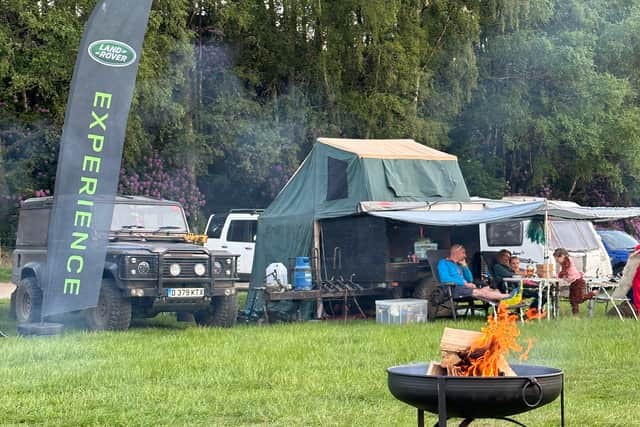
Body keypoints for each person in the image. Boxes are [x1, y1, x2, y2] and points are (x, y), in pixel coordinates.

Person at [438, 244, 511, 302]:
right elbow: (445, 279)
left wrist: (465, 266)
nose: (465, 255)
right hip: (453, 289)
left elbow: (470, 279)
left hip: (464, 288)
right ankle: (509, 297)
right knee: (481, 292)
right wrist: (464, 283)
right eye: (463, 253)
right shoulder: (443, 263)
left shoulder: (459, 265)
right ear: (456, 253)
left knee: (493, 290)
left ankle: (503, 306)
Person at [554, 247, 597, 317]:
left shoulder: (566, 260)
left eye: (557, 259)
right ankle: (575, 315)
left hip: (578, 282)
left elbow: (564, 270)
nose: (556, 261)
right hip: (573, 282)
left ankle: (592, 293)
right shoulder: (564, 261)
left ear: (562, 256)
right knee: (572, 300)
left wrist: (559, 276)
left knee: (579, 299)